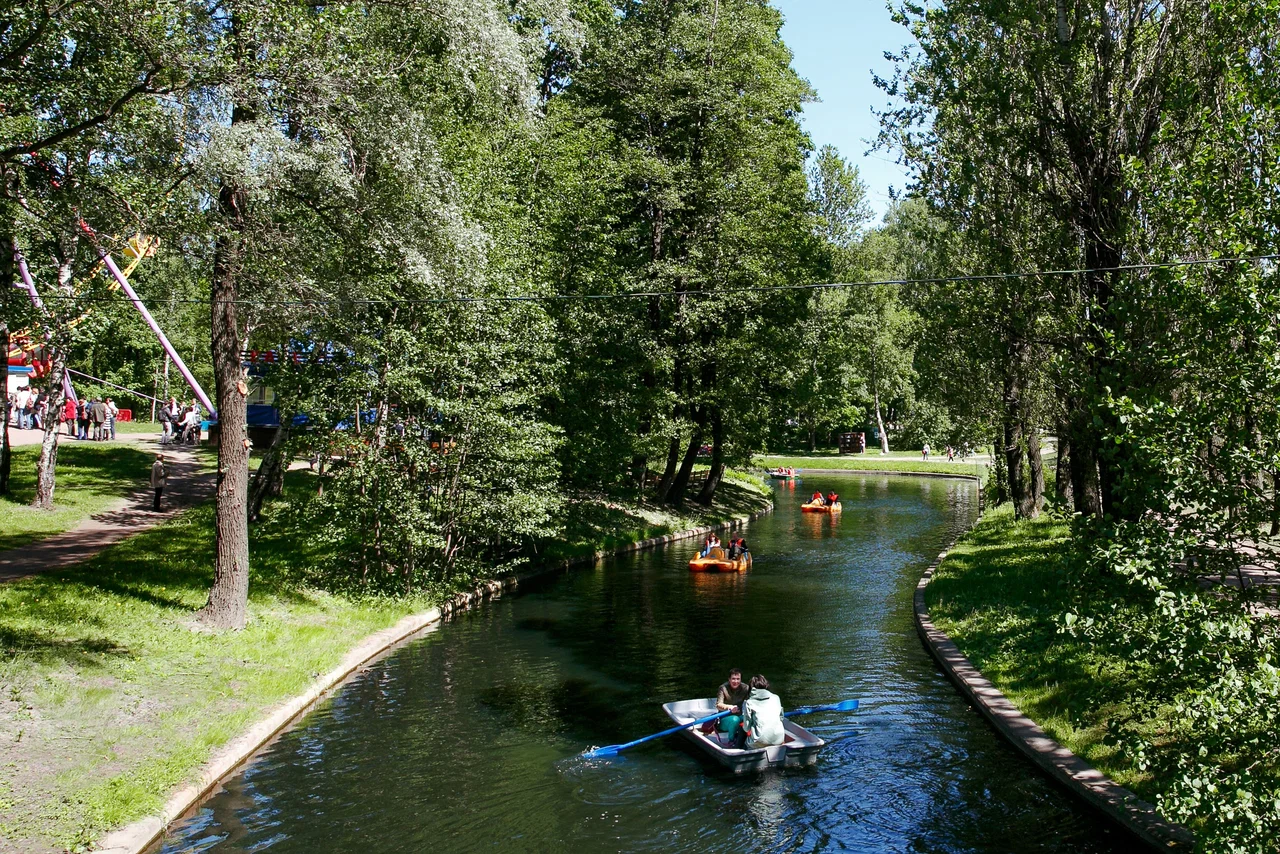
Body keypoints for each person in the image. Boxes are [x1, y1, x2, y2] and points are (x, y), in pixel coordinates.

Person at [733, 675, 786, 749]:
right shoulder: (776, 697)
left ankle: (736, 749)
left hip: (759, 742)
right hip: (779, 740)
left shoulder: (749, 702)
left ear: (751, 688)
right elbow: (781, 718)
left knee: (741, 727)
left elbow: (746, 728)